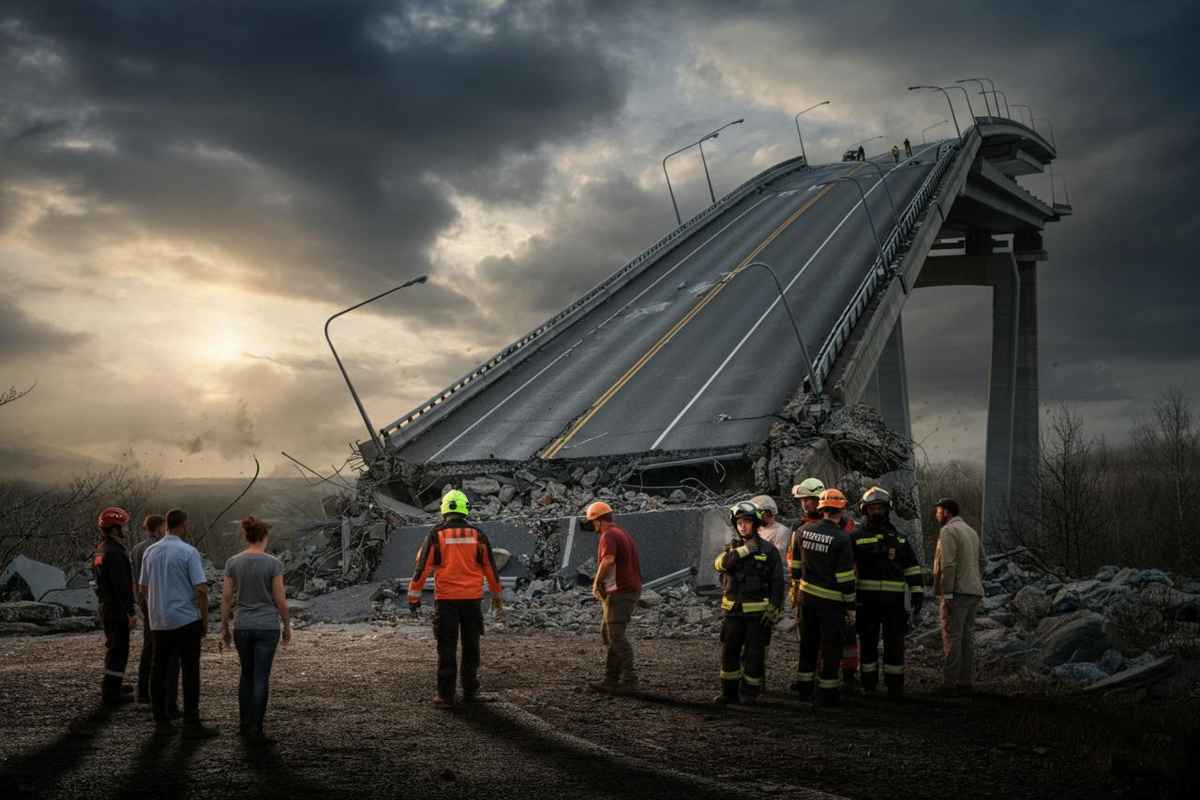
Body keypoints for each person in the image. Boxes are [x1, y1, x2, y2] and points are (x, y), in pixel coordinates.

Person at [408, 490, 503, 706]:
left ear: (444, 509)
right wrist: (497, 600)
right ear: (465, 509)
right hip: (472, 601)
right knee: (471, 647)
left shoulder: (435, 535)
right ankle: (471, 690)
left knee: (447, 647)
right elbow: (491, 569)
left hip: (446, 602)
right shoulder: (478, 535)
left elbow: (421, 569)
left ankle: (446, 695)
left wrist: (413, 598)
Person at [140, 508, 219, 737]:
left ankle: (161, 719)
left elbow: (143, 588)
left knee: (159, 668)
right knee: (190, 669)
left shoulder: (150, 552)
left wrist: (150, 613)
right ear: (183, 525)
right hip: (185, 618)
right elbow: (201, 589)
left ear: (166, 524)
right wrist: (204, 619)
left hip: (159, 620)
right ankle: (191, 721)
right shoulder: (188, 551)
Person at [221, 516, 291, 743]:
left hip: (243, 624)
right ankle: (257, 729)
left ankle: (243, 724)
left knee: (246, 674)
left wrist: (224, 626)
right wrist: (287, 625)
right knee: (261, 677)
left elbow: (226, 597)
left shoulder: (233, 562)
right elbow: (280, 599)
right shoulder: (273, 563)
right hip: (267, 625)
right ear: (264, 537)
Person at [851, 487, 923, 698]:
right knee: (868, 643)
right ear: (864, 510)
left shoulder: (899, 538)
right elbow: (845, 569)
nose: (876, 511)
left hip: (894, 603)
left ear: (887, 509)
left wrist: (917, 592)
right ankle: (869, 684)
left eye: (880, 507)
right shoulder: (855, 537)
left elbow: (912, 567)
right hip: (866, 602)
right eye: (872, 507)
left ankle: (894, 686)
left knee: (895, 644)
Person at [790, 489, 857, 707]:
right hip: (831, 602)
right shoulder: (841, 538)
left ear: (820, 508)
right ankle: (827, 694)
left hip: (806, 598)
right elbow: (845, 577)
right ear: (841, 509)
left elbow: (796, 568)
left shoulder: (802, 531)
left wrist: (797, 590)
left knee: (808, 644)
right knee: (830, 647)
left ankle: (804, 689)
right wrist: (850, 606)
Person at [713, 502, 784, 704]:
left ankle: (749, 694)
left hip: (757, 616)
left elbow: (778, 582)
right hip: (733, 613)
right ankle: (729, 693)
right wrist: (745, 550)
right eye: (739, 522)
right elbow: (720, 565)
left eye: (747, 522)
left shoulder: (769, 551)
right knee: (729, 653)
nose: (742, 526)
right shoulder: (732, 549)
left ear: (755, 524)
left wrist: (774, 608)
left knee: (754, 656)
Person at [581, 500, 643, 693]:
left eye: (592, 522)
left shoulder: (609, 535)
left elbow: (608, 560)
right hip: (624, 591)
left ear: (599, 520)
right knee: (610, 634)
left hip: (621, 592)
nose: (592, 526)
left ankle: (630, 679)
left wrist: (596, 582)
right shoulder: (620, 533)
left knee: (616, 635)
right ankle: (611, 678)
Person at [932, 498, 985, 696]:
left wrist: (948, 592)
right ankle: (965, 682)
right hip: (974, 591)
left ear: (946, 512)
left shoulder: (948, 531)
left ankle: (949, 683)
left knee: (953, 636)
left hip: (958, 592)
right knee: (967, 638)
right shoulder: (971, 531)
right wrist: (975, 580)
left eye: (938, 511)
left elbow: (948, 564)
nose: (936, 515)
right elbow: (983, 561)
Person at [129, 513, 175, 708]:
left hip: (143, 601)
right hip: (158, 601)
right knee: (160, 647)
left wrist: (137, 600)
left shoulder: (136, 548)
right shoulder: (157, 549)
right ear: (158, 529)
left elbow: (134, 577)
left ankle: (143, 691)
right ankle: (155, 693)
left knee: (149, 645)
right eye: (164, 528)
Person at [93, 506, 137, 706]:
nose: (126, 529)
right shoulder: (116, 553)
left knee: (114, 647)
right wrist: (130, 612)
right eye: (123, 526)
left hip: (107, 606)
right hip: (117, 609)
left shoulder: (101, 549)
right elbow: (122, 587)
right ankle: (111, 693)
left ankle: (113, 684)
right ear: (114, 528)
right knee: (119, 649)